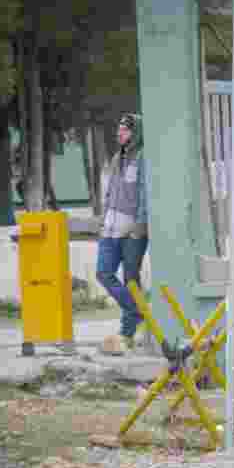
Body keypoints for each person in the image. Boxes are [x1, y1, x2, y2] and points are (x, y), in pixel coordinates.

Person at [97, 113, 148, 356]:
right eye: (119, 129)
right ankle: (136, 310)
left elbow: (145, 192)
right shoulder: (117, 158)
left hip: (133, 229)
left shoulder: (143, 158)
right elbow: (109, 191)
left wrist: (140, 224)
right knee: (103, 272)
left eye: (125, 130)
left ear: (135, 132)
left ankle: (127, 333)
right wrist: (103, 217)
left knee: (130, 278)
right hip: (110, 227)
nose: (120, 134)